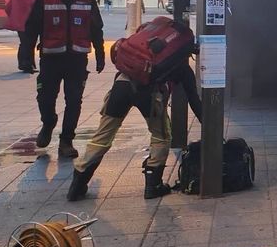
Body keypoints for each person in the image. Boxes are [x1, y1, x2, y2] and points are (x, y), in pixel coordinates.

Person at [68, 60, 196, 201]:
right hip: (150, 93)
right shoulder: (180, 63)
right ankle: (153, 186)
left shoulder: (145, 45)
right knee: (162, 136)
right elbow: (194, 100)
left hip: (121, 86)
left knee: (102, 137)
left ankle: (78, 182)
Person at [25, 0, 104, 159]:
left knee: (74, 101)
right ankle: (48, 122)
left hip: (77, 62)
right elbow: (31, 29)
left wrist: (100, 54)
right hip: (51, 60)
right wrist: (26, 55)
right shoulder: (44, 2)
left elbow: (96, 31)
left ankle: (66, 140)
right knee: (45, 98)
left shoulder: (88, 3)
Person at [5, 0, 41, 73]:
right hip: (32, 25)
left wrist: (15, 18)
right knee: (30, 45)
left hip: (20, 25)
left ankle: (23, 64)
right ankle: (29, 65)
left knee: (24, 44)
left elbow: (8, 8)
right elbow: (38, 13)